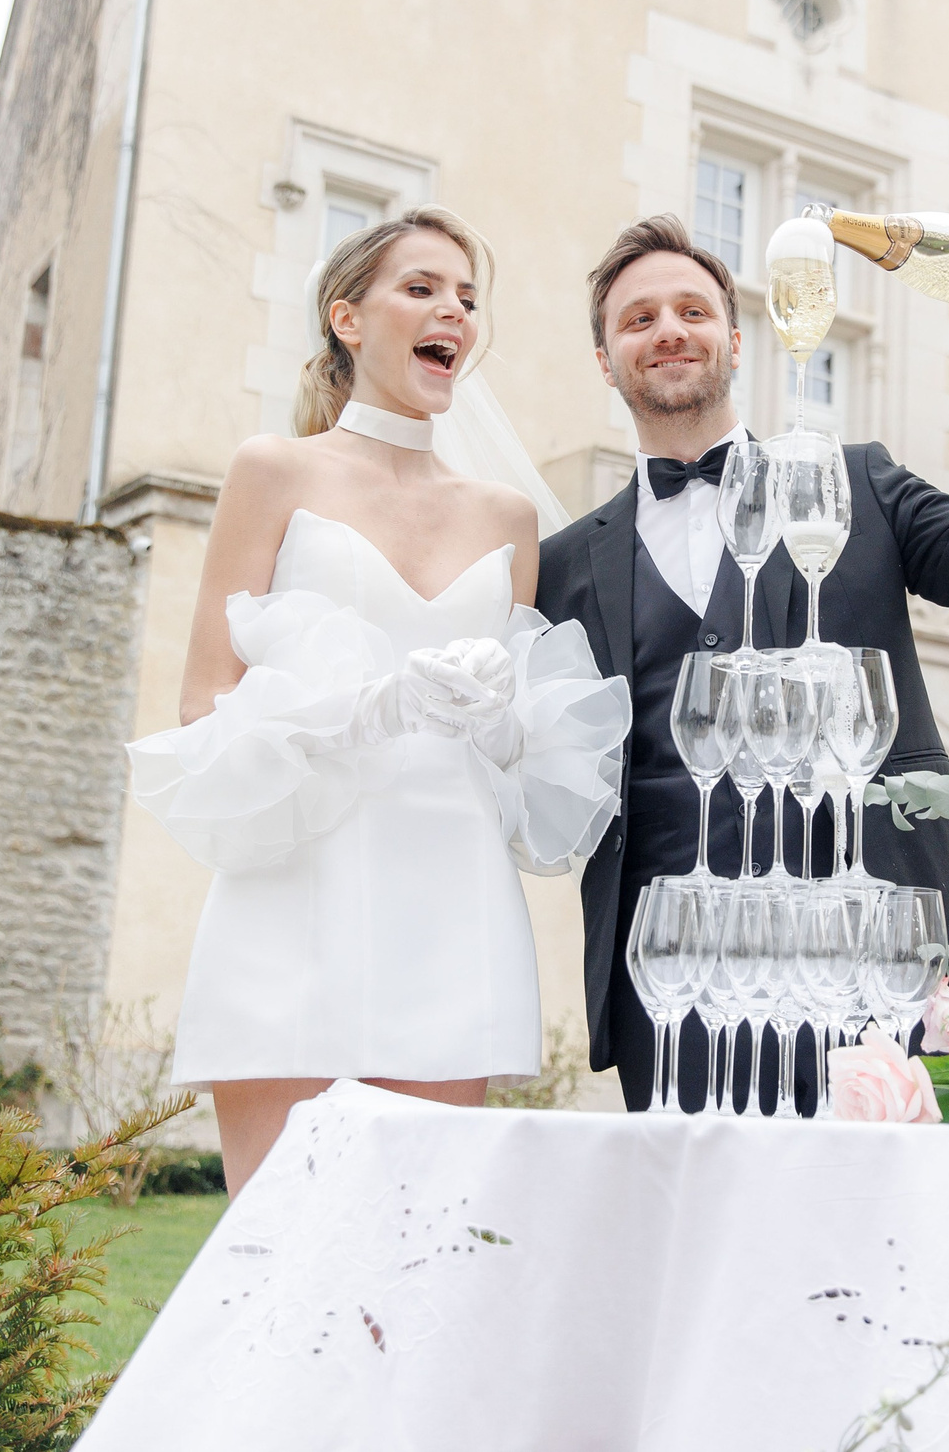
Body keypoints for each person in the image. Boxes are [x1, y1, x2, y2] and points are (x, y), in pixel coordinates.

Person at [123, 207, 631, 1194]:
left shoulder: (508, 518)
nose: (453, 311)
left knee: (416, 1254)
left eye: (468, 298)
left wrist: (497, 726)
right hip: (294, 890)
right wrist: (368, 712)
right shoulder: (272, 471)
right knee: (272, 1246)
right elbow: (203, 703)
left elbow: (533, 765)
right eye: (423, 288)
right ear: (347, 319)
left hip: (451, 902)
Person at [535, 214, 949, 1111]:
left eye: (692, 310)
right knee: (706, 1236)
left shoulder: (855, 482)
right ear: (605, 359)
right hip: (684, 985)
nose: (667, 328)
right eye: (637, 319)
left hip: (896, 949)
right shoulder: (561, 566)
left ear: (737, 341)